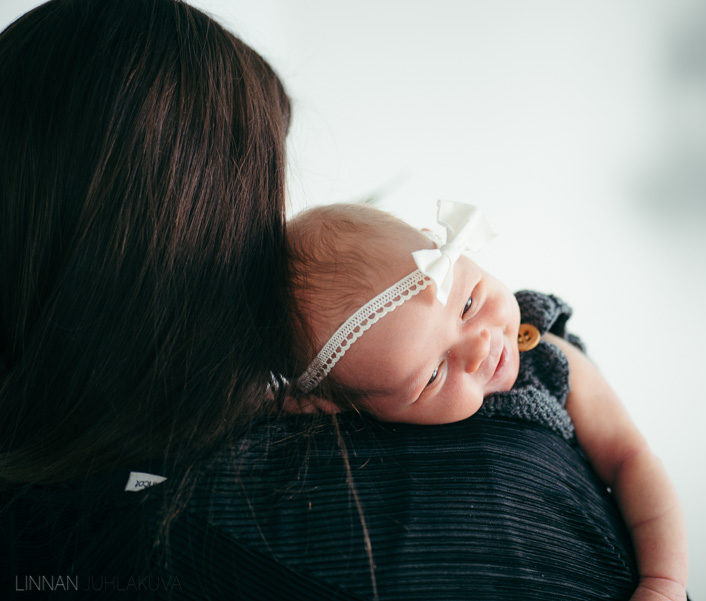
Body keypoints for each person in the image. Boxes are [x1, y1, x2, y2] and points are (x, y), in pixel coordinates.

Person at [1, 1, 647, 599]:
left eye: (470, 303)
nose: (269, 250)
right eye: (259, 206)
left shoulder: (51, 520)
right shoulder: (484, 492)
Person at [285, 200, 689, 601]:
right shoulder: (342, 406)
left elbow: (630, 460)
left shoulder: (550, 360)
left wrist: (663, 582)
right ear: (350, 409)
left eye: (466, 303)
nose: (480, 347)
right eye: (433, 374)